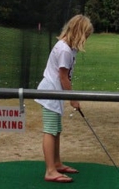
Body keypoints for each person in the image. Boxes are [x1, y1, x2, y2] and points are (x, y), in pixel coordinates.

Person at [34, 14, 93, 183]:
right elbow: (63, 77)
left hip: (55, 92)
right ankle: (50, 171)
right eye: (86, 35)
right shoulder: (64, 50)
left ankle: (57, 163)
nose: (87, 38)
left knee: (56, 129)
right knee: (50, 130)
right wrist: (73, 98)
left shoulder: (69, 47)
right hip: (51, 92)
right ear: (79, 32)